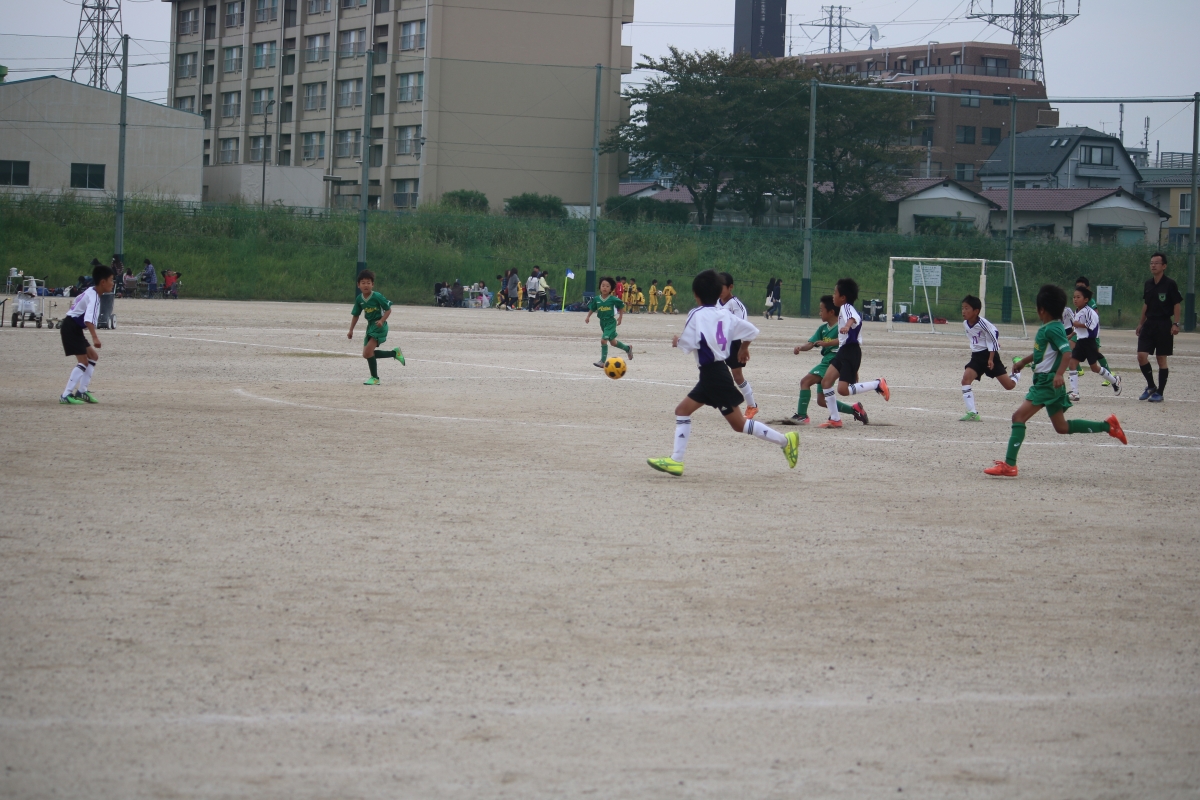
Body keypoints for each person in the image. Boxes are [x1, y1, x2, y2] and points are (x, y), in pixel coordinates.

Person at [647, 269, 799, 477]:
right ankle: (676, 461)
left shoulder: (696, 314)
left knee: (737, 424)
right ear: (719, 292)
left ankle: (786, 440)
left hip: (714, 375)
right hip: (714, 373)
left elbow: (689, 343)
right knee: (683, 411)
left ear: (695, 294)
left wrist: (677, 342)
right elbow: (752, 331)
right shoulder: (725, 314)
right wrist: (744, 348)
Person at [985, 284, 1128, 477]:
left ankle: (1010, 465)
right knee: (1061, 427)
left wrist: (1059, 374)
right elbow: (1043, 353)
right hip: (1048, 382)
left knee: (1018, 417)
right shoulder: (1051, 327)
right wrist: (1024, 362)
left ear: (1041, 309)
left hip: (1048, 383)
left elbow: (1067, 353)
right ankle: (1108, 426)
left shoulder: (1052, 329)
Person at [819, 277, 890, 429]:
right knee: (826, 382)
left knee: (842, 390)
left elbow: (855, 317)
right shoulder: (843, 309)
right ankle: (835, 419)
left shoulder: (846, 307)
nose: (833, 296)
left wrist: (847, 325)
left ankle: (877, 384)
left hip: (851, 351)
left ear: (843, 297)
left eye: (835, 293)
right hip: (844, 351)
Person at [792, 294, 866, 425]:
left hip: (833, 360)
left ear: (831, 312)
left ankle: (802, 416)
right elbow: (811, 343)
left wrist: (853, 369)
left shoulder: (841, 326)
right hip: (826, 361)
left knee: (805, 382)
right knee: (822, 400)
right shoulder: (822, 329)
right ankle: (854, 409)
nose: (819, 313)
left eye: (821, 310)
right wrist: (801, 348)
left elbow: (844, 342)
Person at [58, 263, 113, 404]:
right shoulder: (94, 298)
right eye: (111, 280)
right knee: (83, 361)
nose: (112, 283)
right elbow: (88, 320)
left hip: (73, 327)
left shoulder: (91, 290)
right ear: (103, 282)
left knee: (93, 356)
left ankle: (82, 392)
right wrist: (95, 338)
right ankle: (65, 395)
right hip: (71, 327)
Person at [959, 294, 1019, 421]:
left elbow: (994, 334)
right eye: (962, 308)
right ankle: (972, 413)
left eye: (967, 308)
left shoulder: (983, 324)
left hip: (989, 355)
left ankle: (1017, 368)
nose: (963, 311)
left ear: (976, 311)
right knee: (965, 380)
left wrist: (991, 358)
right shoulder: (965, 324)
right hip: (976, 357)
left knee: (1009, 385)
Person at [1135, 252, 1183, 402]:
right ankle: (1151, 386)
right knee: (1141, 356)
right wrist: (1141, 323)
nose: (1153, 265)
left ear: (1164, 266)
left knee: (1161, 358)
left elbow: (1176, 304)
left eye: (1156, 263)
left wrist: (1176, 323)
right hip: (1149, 324)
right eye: (1151, 263)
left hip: (1163, 324)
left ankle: (1160, 393)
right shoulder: (1148, 284)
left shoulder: (1170, 284)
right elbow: (1146, 304)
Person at [347, 270, 404, 385]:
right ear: (358, 285)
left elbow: (388, 310)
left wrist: (382, 321)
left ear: (372, 284)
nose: (366, 285)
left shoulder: (377, 296)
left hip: (379, 326)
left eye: (368, 283)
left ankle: (375, 378)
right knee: (366, 354)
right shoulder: (359, 299)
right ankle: (394, 353)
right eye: (363, 283)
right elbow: (356, 315)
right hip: (370, 326)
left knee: (368, 352)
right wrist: (351, 330)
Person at [1065, 286, 1121, 400]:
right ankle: (1075, 393)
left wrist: (1077, 324)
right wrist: (1071, 334)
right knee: (1072, 363)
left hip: (1089, 342)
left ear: (1086, 299)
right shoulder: (1077, 311)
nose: (1075, 299)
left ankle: (1114, 380)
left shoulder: (1090, 312)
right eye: (1074, 297)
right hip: (1080, 342)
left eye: (1078, 297)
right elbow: (1078, 327)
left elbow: (1091, 326)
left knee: (1094, 368)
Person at [717, 273, 760, 418]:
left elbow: (745, 327)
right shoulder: (716, 302)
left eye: (722, 287)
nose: (718, 290)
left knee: (737, 376)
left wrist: (744, 347)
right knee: (717, 373)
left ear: (730, 287)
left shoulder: (736, 305)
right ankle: (725, 403)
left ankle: (752, 406)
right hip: (718, 343)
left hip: (733, 343)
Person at [1073, 277, 1115, 385]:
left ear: (1087, 287)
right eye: (1077, 286)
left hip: (1090, 334)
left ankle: (1109, 374)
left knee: (1096, 355)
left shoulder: (1089, 302)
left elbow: (1095, 315)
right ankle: (1077, 369)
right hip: (1080, 333)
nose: (1079, 288)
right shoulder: (1078, 305)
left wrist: (1083, 324)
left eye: (1082, 286)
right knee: (1071, 347)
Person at [585, 276, 634, 368]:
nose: (605, 288)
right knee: (613, 343)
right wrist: (588, 316)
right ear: (600, 287)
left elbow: (621, 306)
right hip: (602, 323)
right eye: (603, 285)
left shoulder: (612, 299)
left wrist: (620, 317)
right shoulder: (597, 299)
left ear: (611, 288)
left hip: (610, 322)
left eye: (607, 286)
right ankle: (628, 348)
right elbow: (593, 308)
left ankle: (602, 361)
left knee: (603, 340)